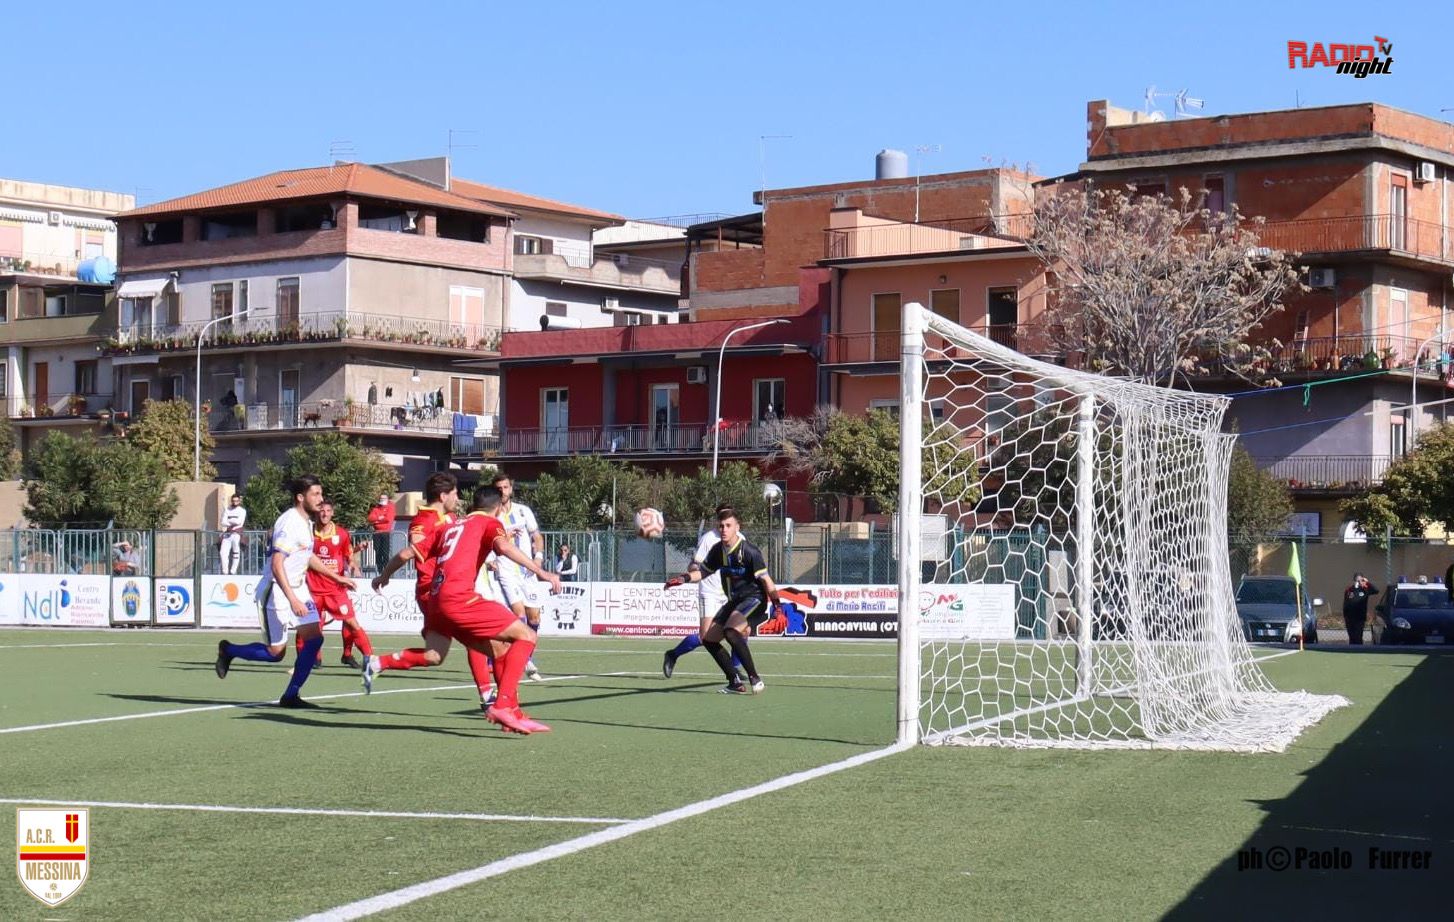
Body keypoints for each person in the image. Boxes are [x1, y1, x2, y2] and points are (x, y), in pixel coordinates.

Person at [367, 485, 561, 734]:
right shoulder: (490, 523)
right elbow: (504, 548)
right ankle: (502, 705)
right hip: (459, 599)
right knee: (527, 635)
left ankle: (512, 713)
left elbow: (406, 553)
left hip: (435, 603)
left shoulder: (448, 527)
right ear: (498, 507)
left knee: (480, 651)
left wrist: (383, 576)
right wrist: (541, 571)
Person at [214, 475, 355, 707]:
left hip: (297, 589)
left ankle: (291, 695)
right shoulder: (289, 522)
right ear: (300, 497)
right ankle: (228, 650)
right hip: (277, 591)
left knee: (315, 639)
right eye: (315, 495)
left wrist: (337, 577)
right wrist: (292, 599)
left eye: (321, 494)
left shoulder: (307, 522)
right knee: (275, 653)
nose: (320, 500)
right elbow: (277, 563)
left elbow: (306, 556)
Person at [365, 472, 498, 710]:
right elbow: (409, 553)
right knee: (479, 640)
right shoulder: (423, 521)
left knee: (435, 656)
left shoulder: (451, 518)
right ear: (443, 495)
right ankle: (491, 697)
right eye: (455, 493)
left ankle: (378, 663)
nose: (458, 498)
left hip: (449, 590)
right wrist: (384, 575)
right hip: (433, 592)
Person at [662, 506, 781, 694]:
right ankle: (734, 681)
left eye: (728, 525)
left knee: (732, 631)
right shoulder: (717, 549)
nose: (724, 529)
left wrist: (778, 608)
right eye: (721, 525)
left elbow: (767, 580)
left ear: (737, 527)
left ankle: (754, 678)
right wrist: (683, 579)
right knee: (709, 639)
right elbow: (702, 572)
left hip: (755, 599)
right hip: (732, 600)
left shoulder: (749, 551)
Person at [662, 505, 745, 682]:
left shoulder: (741, 539)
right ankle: (673, 654)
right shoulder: (709, 539)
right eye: (722, 519)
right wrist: (692, 571)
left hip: (729, 594)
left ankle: (735, 669)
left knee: (742, 631)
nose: (725, 524)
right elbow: (694, 564)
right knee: (705, 636)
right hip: (709, 592)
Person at [301, 499, 373, 669]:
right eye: (321, 511)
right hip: (313, 589)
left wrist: (354, 565)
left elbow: (347, 554)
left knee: (351, 622)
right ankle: (314, 659)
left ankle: (368, 659)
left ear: (332, 513)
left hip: (335, 588)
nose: (324, 514)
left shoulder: (341, 534)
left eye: (328, 511)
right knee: (313, 626)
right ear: (316, 513)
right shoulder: (308, 534)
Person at [487, 472, 545, 680]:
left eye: (505, 487)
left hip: (527, 570)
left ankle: (525, 655)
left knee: (534, 617)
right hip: (505, 569)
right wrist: (489, 560)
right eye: (499, 488)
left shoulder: (523, 511)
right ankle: (522, 661)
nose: (502, 491)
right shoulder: (491, 514)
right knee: (517, 613)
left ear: (511, 489)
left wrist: (537, 558)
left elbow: (537, 536)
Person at [1342, 573, 1379, 646]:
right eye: (1357, 580)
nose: (1359, 582)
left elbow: (1376, 590)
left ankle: (1359, 650)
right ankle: (1351, 651)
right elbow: (1345, 602)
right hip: (1349, 617)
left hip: (1360, 617)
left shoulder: (1365, 589)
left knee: (1358, 636)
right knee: (1351, 636)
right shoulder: (1349, 590)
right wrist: (1345, 614)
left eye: (1360, 580)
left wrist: (1367, 583)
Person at [366, 494, 396, 574]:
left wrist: (376, 521)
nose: (382, 499)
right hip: (376, 533)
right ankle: (379, 571)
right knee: (378, 552)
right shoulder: (376, 508)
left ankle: (386, 571)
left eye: (383, 498)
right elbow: (370, 518)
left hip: (385, 533)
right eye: (381, 498)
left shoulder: (390, 507)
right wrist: (379, 519)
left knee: (385, 553)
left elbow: (388, 519)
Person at [219, 493, 248, 575]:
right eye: (233, 501)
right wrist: (232, 522)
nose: (235, 502)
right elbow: (222, 522)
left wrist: (229, 521)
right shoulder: (227, 509)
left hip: (237, 533)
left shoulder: (242, 511)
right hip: (228, 533)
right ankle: (225, 571)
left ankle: (233, 571)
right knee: (223, 553)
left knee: (236, 551)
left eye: (236, 501)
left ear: (239, 501)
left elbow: (239, 522)